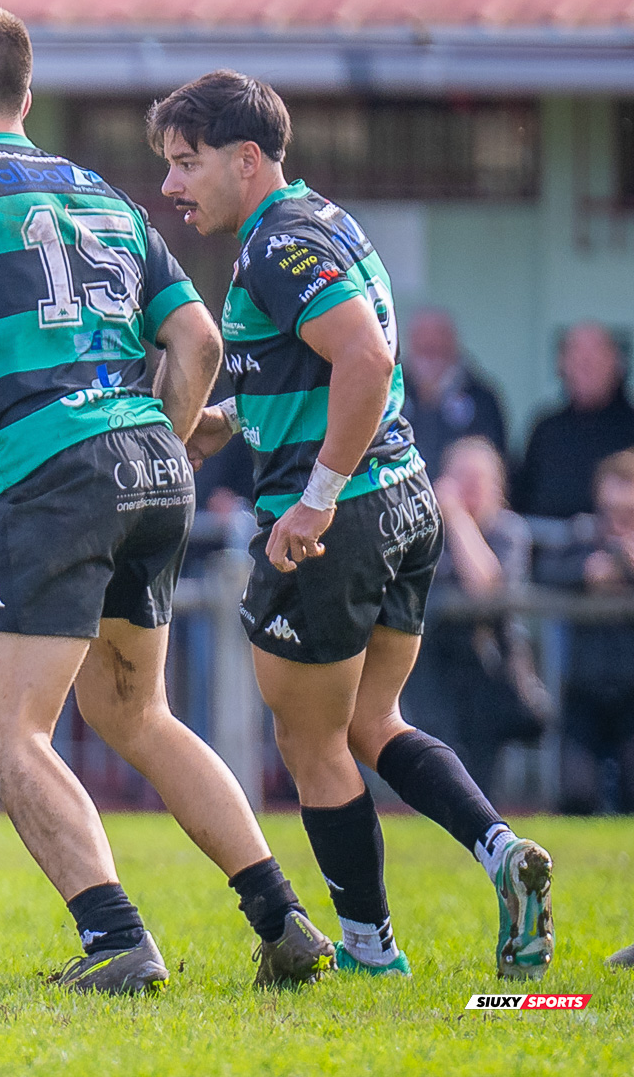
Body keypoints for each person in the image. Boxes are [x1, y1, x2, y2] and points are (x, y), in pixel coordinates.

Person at [0, 4, 333, 993]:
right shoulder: (107, 197)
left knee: (2, 730)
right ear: (24, 95)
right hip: (151, 463)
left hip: (52, 472)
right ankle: (283, 917)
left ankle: (116, 937)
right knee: (133, 709)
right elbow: (196, 342)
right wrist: (163, 436)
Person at [153, 69, 553, 980]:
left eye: (187, 163)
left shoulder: (274, 246)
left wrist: (317, 494)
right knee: (372, 719)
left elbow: (366, 361)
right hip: (403, 499)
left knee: (309, 740)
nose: (172, 185)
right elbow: (306, 374)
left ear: (246, 159)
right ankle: (503, 853)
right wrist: (211, 428)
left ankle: (372, 953)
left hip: (339, 516)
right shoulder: (323, 218)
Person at [405, 438, 546, 800]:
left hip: (492, 666)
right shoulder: (422, 533)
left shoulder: (509, 531)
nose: (467, 489)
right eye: (459, 478)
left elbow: (484, 586)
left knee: (483, 772)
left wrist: (456, 518)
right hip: (433, 662)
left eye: (477, 479)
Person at [534, 447, 634, 817]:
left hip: (631, 694)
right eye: (612, 513)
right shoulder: (583, 535)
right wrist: (588, 572)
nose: (618, 523)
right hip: (584, 689)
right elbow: (544, 570)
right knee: (576, 795)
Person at [512, 321, 634, 520]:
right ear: (561, 366)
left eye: (596, 356)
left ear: (616, 364)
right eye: (575, 355)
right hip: (548, 546)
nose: (585, 363)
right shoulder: (546, 429)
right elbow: (520, 498)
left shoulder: (630, 427)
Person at [400, 309, 508, 479]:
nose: (429, 357)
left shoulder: (482, 400)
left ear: (453, 345)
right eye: (423, 348)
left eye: (436, 348)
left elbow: (494, 463)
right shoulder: (391, 398)